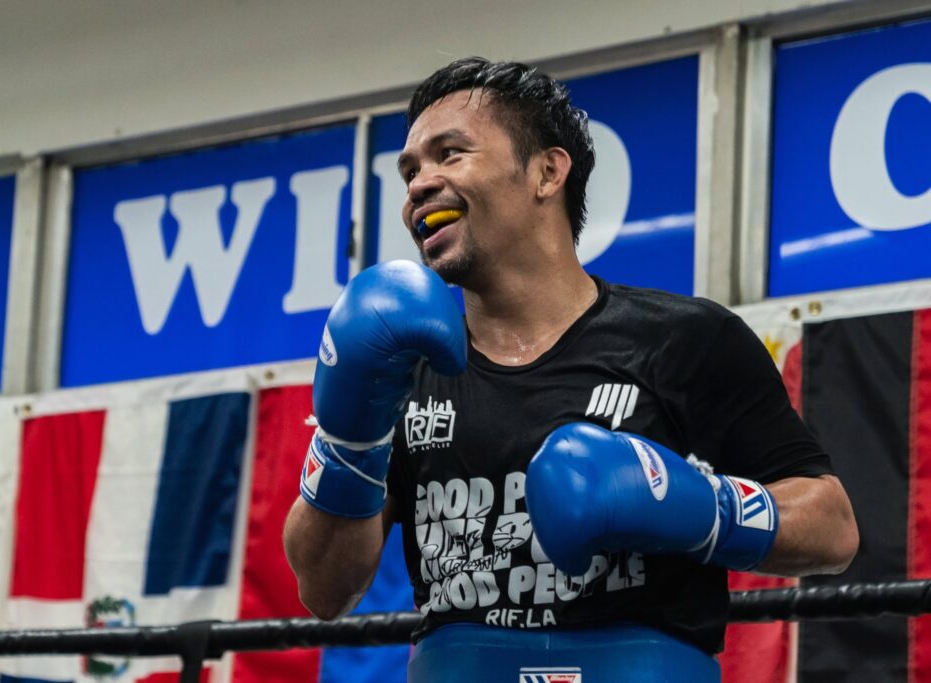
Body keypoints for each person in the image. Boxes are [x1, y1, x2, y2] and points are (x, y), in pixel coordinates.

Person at [284, 57, 859, 682]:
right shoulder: (403, 366)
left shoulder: (683, 339)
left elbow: (832, 530)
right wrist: (347, 441)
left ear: (547, 172)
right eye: (410, 171)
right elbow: (323, 589)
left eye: (450, 154)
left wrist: (700, 507)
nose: (420, 185)